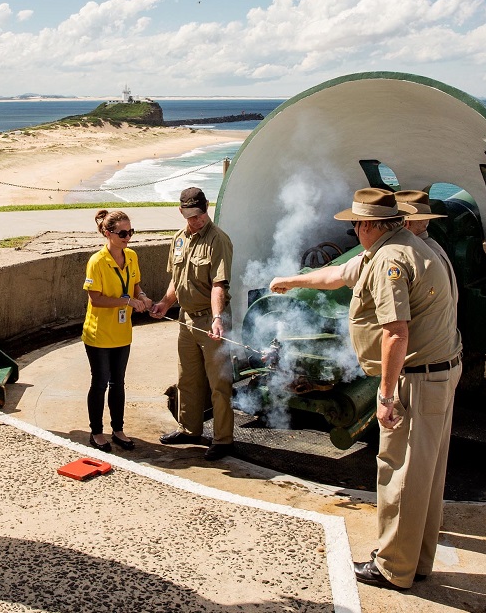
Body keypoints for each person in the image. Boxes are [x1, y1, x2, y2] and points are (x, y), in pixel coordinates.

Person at [269, 188, 461, 591]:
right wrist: (291, 281)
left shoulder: (391, 260)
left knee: (400, 474)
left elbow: (395, 333)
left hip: (417, 379)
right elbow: (338, 274)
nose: (354, 230)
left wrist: (386, 395)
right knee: (426, 474)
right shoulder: (410, 245)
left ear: (371, 225)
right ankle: (416, 561)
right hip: (439, 374)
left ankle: (393, 568)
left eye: (355, 223)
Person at [149, 187, 237, 461]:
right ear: (181, 212)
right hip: (185, 318)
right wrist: (165, 303)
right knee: (187, 377)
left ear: (206, 208)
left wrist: (218, 319)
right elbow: (177, 279)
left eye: (198, 215)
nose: (195, 221)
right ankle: (189, 429)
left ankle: (223, 439)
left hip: (211, 318)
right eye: (189, 216)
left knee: (218, 383)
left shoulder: (218, 240)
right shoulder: (178, 239)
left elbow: (218, 284)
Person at [82, 209, 151, 452]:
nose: (127, 237)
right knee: (100, 382)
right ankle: (96, 432)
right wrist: (127, 302)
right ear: (108, 233)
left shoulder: (131, 256)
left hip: (122, 333)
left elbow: (134, 285)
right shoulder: (97, 261)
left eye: (130, 232)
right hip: (99, 334)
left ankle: (118, 429)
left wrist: (142, 297)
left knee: (118, 383)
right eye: (122, 233)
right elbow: (96, 299)